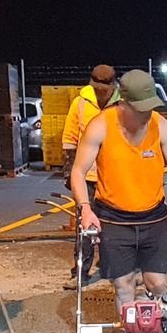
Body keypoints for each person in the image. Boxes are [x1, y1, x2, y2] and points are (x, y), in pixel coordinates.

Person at [68, 69, 167, 333]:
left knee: (155, 282)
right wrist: (85, 209)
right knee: (124, 285)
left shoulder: (161, 127)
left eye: (151, 107)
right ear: (122, 103)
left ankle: (162, 306)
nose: (147, 114)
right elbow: (77, 172)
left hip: (153, 219)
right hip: (114, 220)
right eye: (142, 109)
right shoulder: (100, 127)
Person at [60, 64, 117, 288]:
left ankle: (112, 267)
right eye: (97, 87)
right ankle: (81, 273)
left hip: (115, 176)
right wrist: (69, 171)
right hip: (87, 177)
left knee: (114, 225)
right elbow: (70, 138)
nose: (101, 92)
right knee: (85, 226)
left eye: (105, 88)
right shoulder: (80, 103)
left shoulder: (122, 104)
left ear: (114, 85)